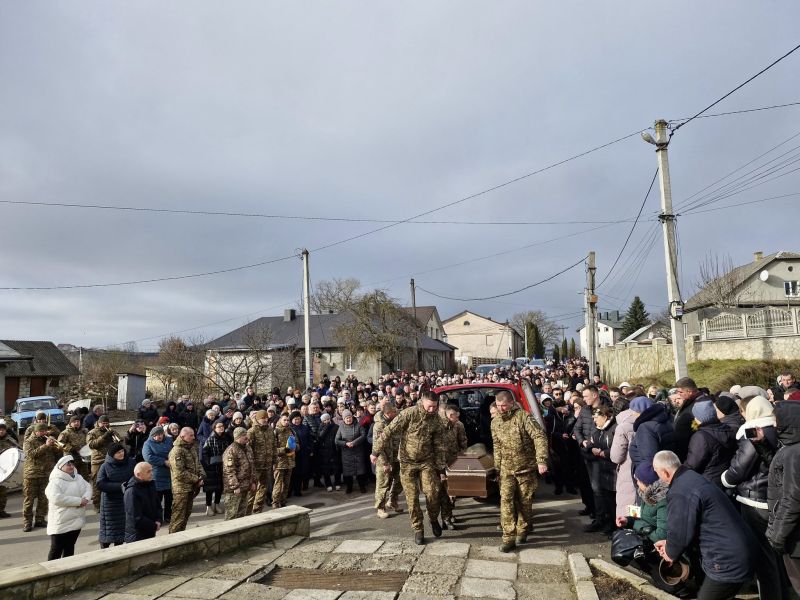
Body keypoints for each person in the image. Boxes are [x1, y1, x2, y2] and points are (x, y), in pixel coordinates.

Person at [653, 450, 755, 600]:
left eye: (657, 473)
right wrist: (670, 545)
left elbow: (679, 533)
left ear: (665, 472)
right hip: (738, 549)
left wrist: (670, 552)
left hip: (726, 558)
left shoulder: (681, 491)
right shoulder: (691, 477)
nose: (658, 477)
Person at [722, 395, 792, 600]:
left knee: (763, 556)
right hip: (775, 497)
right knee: (777, 553)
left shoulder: (752, 433)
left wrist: (725, 478)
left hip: (754, 499)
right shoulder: (781, 429)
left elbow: (739, 468)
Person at [371, 390, 447, 545]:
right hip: (407, 463)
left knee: (433, 492)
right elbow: (388, 431)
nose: (432, 410)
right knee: (412, 499)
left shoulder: (436, 420)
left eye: (435, 406)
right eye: (429, 406)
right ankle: (418, 529)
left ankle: (433, 519)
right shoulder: (409, 414)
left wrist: (441, 468)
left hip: (426, 462)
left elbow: (439, 446)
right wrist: (375, 451)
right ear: (422, 402)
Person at [491, 390, 549, 552]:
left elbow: (539, 437)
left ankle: (522, 529)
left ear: (511, 403)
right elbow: (496, 446)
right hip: (506, 470)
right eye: (498, 405)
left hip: (526, 469)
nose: (501, 408)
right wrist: (497, 467)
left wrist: (541, 460)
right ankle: (508, 537)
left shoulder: (523, 417)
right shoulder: (495, 422)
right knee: (506, 501)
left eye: (504, 405)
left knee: (525, 501)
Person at [767, 399, 800, 595]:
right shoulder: (791, 448)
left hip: (795, 538)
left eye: (776, 420)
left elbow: (793, 497)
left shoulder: (793, 453)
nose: (773, 424)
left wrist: (777, 535)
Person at [610, 396, 651, 518]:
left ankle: (630, 529)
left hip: (628, 469)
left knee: (629, 502)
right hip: (648, 470)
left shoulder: (623, 426)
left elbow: (616, 457)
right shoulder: (652, 422)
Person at [44, 455, 92, 560]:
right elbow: (56, 498)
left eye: (72, 463)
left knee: (70, 546)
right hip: (61, 521)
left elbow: (88, 487)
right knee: (56, 549)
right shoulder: (55, 481)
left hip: (76, 520)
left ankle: (67, 569)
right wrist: (79, 501)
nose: (71, 466)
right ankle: (51, 571)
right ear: (61, 467)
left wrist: (86, 498)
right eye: (68, 464)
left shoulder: (78, 477)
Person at [685, 400, 737, 489]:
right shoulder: (727, 429)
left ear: (698, 418)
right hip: (724, 480)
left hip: (706, 482)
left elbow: (693, 464)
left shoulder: (701, 436)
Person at [584, 404, 617, 536]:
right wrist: (590, 447)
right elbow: (590, 442)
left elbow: (618, 449)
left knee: (613, 500)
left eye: (596, 417)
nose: (594, 420)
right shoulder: (598, 429)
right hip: (603, 469)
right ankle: (607, 523)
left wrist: (603, 453)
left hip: (613, 470)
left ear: (605, 416)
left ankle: (615, 526)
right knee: (606, 499)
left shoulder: (614, 429)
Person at [22, 423, 62, 532]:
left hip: (46, 474)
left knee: (43, 499)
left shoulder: (48, 440)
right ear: (36, 431)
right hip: (32, 475)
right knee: (29, 500)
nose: (44, 433)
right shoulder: (28, 442)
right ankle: (27, 522)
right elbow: (32, 454)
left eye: (45, 431)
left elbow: (58, 453)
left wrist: (55, 446)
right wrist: (46, 445)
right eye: (41, 431)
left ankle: (40, 519)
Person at [96, 443, 134, 548]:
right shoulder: (105, 466)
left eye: (122, 451)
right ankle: (104, 551)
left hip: (126, 500)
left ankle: (119, 551)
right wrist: (119, 486)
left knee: (122, 531)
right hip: (110, 503)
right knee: (109, 531)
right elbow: (100, 484)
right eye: (118, 452)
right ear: (112, 454)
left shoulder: (131, 462)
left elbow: (136, 476)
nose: (121, 454)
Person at [168, 427, 204, 533]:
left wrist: (202, 475)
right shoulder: (177, 451)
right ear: (183, 436)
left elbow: (197, 463)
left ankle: (181, 539)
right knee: (178, 518)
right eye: (191, 435)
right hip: (181, 489)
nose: (194, 437)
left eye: (194, 435)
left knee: (186, 516)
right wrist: (197, 479)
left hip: (190, 487)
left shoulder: (191, 447)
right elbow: (180, 473)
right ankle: (172, 542)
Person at [440, 404, 467, 529]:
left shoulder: (458, 425)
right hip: (441, 464)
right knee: (444, 492)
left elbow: (462, 441)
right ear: (451, 415)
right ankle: (445, 518)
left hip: (454, 461)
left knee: (453, 491)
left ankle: (449, 514)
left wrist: (462, 457)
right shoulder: (439, 426)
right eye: (457, 416)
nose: (458, 418)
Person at [372, 403, 401, 518]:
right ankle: (380, 507)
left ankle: (393, 500)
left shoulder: (395, 420)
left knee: (400, 480)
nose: (397, 414)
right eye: (395, 412)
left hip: (396, 457)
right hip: (383, 458)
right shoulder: (379, 426)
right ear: (388, 413)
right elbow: (378, 446)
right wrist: (385, 463)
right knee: (383, 484)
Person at [672, 377, 711, 461]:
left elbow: (699, 427)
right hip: (682, 448)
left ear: (689, 392)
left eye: (681, 392)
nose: (679, 394)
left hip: (690, 451)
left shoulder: (702, 403)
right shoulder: (689, 399)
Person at [123, 462, 162, 542]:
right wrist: (154, 526)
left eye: (152, 470)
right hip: (137, 535)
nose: (152, 474)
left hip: (149, 530)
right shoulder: (132, 491)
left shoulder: (150, 484)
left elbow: (158, 505)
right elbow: (136, 517)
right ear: (138, 474)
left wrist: (159, 520)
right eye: (148, 472)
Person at [141, 426, 173, 525]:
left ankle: (168, 516)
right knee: (157, 499)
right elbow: (148, 457)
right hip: (156, 474)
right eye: (156, 435)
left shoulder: (169, 440)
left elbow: (173, 451)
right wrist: (163, 461)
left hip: (169, 473)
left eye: (160, 434)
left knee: (169, 497)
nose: (158, 437)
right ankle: (157, 518)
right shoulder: (148, 444)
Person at [222, 427, 255, 520]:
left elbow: (252, 465)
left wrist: (253, 482)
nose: (246, 437)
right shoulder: (231, 450)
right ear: (238, 437)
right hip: (235, 490)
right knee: (231, 515)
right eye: (244, 435)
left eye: (246, 434)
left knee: (242, 514)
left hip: (246, 486)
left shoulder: (248, 448)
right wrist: (235, 486)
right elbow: (229, 471)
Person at [248, 410, 276, 513]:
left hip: (267, 464)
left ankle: (257, 510)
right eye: (262, 418)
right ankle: (247, 512)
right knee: (252, 490)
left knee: (263, 488)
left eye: (266, 418)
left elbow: (273, 445)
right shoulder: (252, 431)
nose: (264, 420)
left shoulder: (270, 430)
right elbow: (248, 450)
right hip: (256, 466)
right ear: (257, 419)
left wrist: (274, 461)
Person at [86, 415, 116, 510]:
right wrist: (104, 437)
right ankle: (97, 505)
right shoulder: (92, 432)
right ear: (99, 423)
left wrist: (115, 438)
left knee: (111, 482)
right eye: (103, 423)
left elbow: (119, 442)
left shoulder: (111, 431)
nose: (105, 425)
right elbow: (91, 445)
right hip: (98, 461)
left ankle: (110, 503)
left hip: (110, 460)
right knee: (97, 483)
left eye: (107, 423)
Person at [202, 419, 231, 516]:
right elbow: (205, 453)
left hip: (223, 466)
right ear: (214, 428)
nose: (221, 428)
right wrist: (208, 464)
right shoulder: (210, 439)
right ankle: (208, 506)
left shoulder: (226, 438)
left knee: (219, 488)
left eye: (222, 426)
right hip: (211, 467)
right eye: (219, 427)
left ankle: (217, 504)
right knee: (209, 489)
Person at [336, 409, 367, 494]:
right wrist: (346, 443)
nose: (348, 419)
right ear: (344, 419)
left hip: (358, 451)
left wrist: (354, 442)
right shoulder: (341, 427)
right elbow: (337, 440)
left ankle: (362, 486)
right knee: (348, 472)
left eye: (349, 417)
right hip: (347, 453)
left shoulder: (358, 425)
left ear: (352, 417)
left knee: (360, 471)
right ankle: (349, 487)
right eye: (346, 418)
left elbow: (363, 435)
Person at [273, 413, 296, 509]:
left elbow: (295, 442)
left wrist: (295, 447)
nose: (286, 422)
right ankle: (275, 502)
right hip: (280, 462)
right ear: (280, 420)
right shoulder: (276, 431)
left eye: (287, 420)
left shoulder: (291, 430)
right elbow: (272, 449)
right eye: (284, 420)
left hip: (290, 460)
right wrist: (283, 450)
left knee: (287, 483)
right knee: (278, 483)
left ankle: (283, 501)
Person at [58, 416, 90, 480]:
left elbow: (89, 441)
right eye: (74, 422)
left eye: (78, 421)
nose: (76, 423)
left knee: (84, 477)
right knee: (72, 477)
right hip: (71, 459)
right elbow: (60, 444)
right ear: (70, 423)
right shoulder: (65, 433)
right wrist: (71, 449)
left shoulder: (84, 431)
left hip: (82, 458)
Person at [289, 411, 312, 497]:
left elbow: (309, 439)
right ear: (291, 420)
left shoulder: (305, 427)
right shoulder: (289, 428)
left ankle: (297, 490)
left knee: (301, 472)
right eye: (295, 419)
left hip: (304, 453)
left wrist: (310, 449)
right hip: (294, 454)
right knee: (293, 473)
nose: (297, 421)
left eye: (298, 419)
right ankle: (290, 491)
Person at [316, 413, 341, 491]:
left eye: (328, 419)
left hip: (334, 449)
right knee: (326, 468)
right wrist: (326, 428)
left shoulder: (336, 426)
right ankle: (328, 484)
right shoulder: (321, 427)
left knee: (337, 467)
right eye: (324, 420)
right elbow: (320, 436)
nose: (327, 421)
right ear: (322, 421)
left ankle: (337, 483)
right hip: (325, 450)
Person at [0, 422, 20, 518]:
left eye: (3, 430)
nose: (1, 431)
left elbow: (18, 449)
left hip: (5, 469)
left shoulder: (10, 440)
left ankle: (1, 510)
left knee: (3, 492)